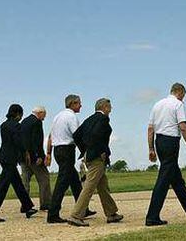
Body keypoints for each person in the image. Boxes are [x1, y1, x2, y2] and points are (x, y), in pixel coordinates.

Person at [145, 83, 186, 226]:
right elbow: (183, 127)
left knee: (176, 179)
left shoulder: (157, 105)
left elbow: (150, 129)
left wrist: (151, 149)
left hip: (159, 142)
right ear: (179, 91)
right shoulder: (177, 105)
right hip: (171, 142)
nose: (183, 99)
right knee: (163, 180)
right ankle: (152, 217)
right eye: (183, 95)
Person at [68, 98, 123, 227]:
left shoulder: (89, 119)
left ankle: (111, 213)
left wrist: (85, 150)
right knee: (89, 186)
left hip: (90, 155)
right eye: (109, 106)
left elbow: (76, 135)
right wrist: (100, 151)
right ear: (104, 107)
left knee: (103, 185)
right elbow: (96, 136)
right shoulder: (103, 119)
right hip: (97, 158)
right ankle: (76, 215)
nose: (111, 109)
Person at [46, 95, 96, 223]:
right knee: (62, 183)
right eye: (79, 103)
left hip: (58, 149)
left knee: (74, 181)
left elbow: (51, 137)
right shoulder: (71, 117)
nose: (80, 106)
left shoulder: (57, 117)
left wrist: (49, 153)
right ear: (73, 103)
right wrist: (85, 151)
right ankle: (53, 213)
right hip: (67, 150)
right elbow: (77, 135)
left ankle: (83, 208)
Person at [0, 104, 38, 222]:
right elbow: (18, 142)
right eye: (21, 115)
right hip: (11, 159)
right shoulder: (16, 126)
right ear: (18, 114)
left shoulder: (3, 125)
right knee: (2, 187)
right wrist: (25, 153)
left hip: (4, 157)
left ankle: (27, 206)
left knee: (18, 184)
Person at [20, 106, 52, 211]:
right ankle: (46, 203)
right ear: (40, 113)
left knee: (25, 181)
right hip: (34, 158)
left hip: (24, 157)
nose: (44, 118)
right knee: (44, 179)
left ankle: (25, 205)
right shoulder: (37, 122)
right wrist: (39, 156)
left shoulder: (24, 122)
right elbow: (36, 141)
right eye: (44, 115)